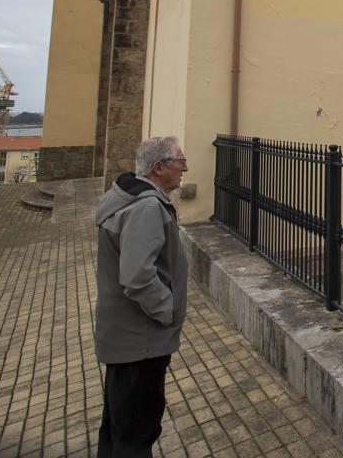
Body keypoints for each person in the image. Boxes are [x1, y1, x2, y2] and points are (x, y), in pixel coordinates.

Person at [94, 136, 189, 457]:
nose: (184, 170)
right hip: (140, 341)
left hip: (125, 338)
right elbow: (137, 277)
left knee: (119, 428)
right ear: (159, 167)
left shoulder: (127, 197)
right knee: (136, 431)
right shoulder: (146, 207)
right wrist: (168, 311)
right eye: (179, 163)